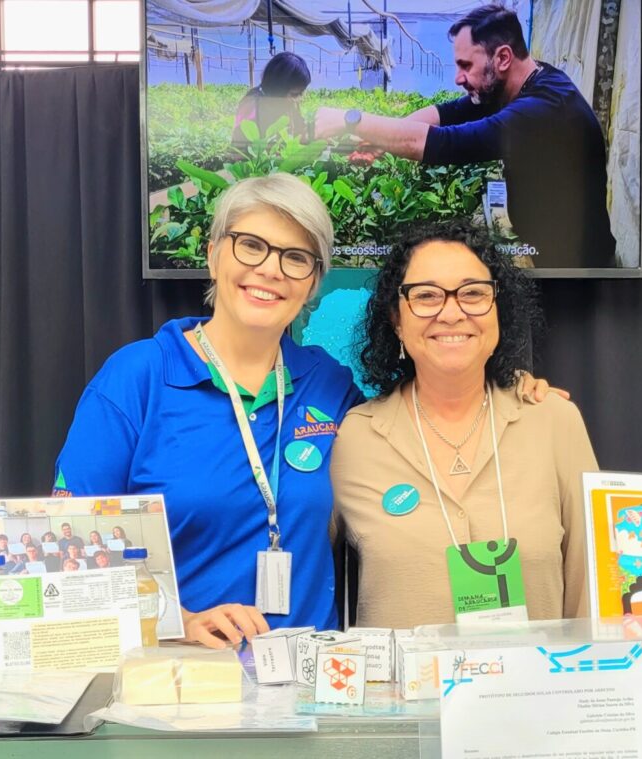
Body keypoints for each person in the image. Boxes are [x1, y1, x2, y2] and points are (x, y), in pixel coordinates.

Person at [54, 175, 555, 647]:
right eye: (250, 245)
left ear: (313, 282)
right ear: (212, 255)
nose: (270, 269)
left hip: (310, 691)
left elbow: (416, 425)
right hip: (182, 690)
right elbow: (66, 555)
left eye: (296, 257)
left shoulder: (328, 384)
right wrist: (174, 622)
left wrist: (506, 388)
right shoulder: (136, 379)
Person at [330, 220, 598, 629]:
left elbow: (592, 591)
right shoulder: (355, 438)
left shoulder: (553, 421)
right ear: (397, 320)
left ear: (498, 311)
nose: (451, 313)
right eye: (426, 296)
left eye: (473, 293)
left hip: (535, 692)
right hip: (400, 693)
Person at [313, 4, 615, 269]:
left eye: (466, 65)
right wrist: (379, 141)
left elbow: (444, 143)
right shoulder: (527, 81)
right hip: (552, 255)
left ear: (503, 58)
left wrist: (350, 119)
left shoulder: (543, 111)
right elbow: (447, 112)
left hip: (580, 274)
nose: (458, 78)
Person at [233, 52, 311, 151]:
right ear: (278, 89)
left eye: (301, 93)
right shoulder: (252, 105)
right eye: (295, 94)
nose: (299, 99)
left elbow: (301, 134)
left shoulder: (290, 104)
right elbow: (239, 148)